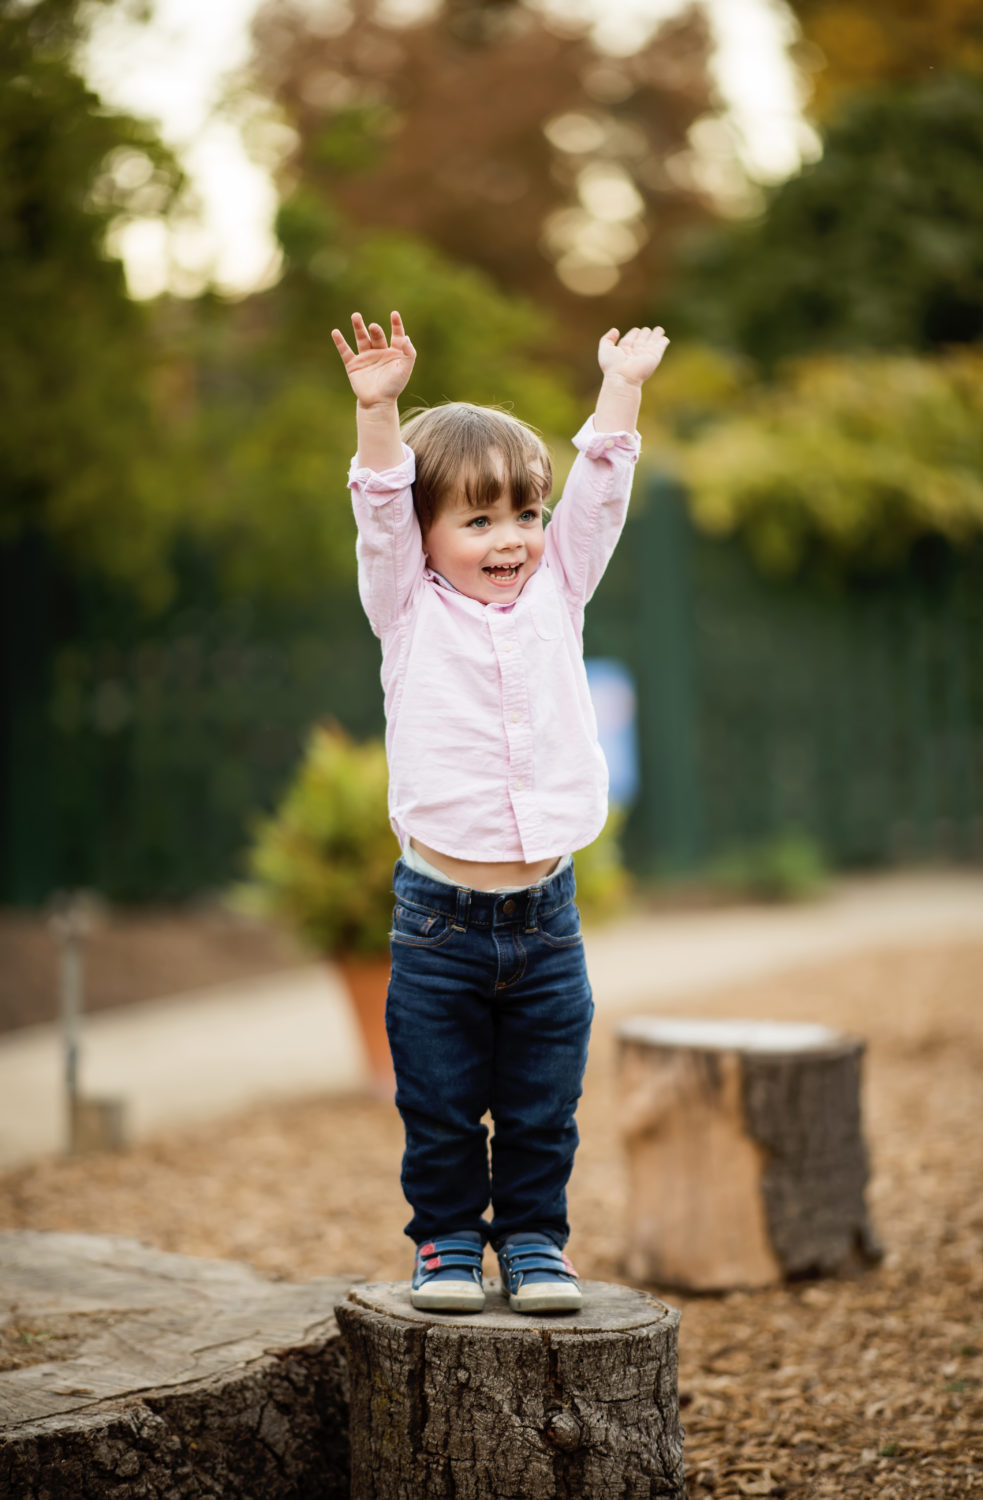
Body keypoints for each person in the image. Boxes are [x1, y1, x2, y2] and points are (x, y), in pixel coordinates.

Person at [331, 309, 668, 1314]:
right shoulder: (404, 605)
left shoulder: (559, 588)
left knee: (538, 1107)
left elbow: (600, 500)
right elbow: (382, 509)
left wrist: (621, 389)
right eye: (476, 522)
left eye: (522, 515)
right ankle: (442, 1246)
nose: (509, 541)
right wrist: (379, 414)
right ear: (429, 537)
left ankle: (530, 1244)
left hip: (545, 920)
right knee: (437, 1107)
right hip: (437, 924)